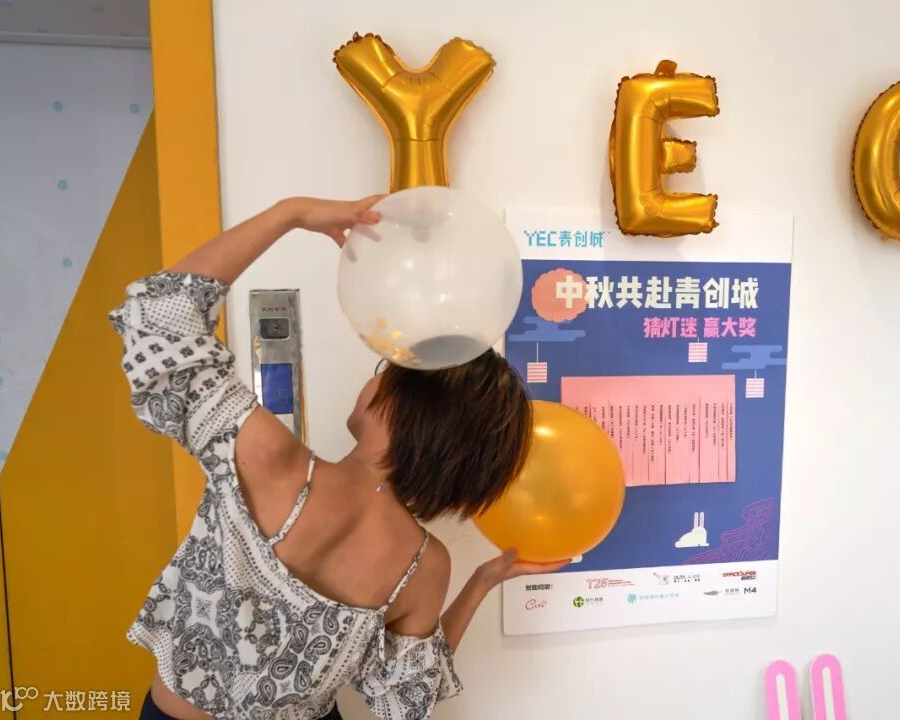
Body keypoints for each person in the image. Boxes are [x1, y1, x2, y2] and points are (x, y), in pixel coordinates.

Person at [110, 195, 566, 720]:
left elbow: (159, 315)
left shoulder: (268, 457)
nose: (373, 380)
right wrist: (482, 580)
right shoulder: (425, 566)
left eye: (386, 372)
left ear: (404, 407)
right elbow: (408, 695)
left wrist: (291, 214)